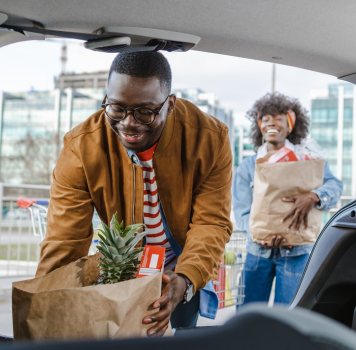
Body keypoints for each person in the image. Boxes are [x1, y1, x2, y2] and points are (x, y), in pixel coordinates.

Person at [36, 52, 233, 336]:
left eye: (145, 111)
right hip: (124, 271)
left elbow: (211, 222)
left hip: (183, 266)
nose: (128, 123)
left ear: (171, 103)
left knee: (182, 334)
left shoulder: (210, 138)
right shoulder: (80, 148)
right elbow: (64, 239)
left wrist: (185, 280)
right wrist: (44, 308)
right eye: (116, 108)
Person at [232, 92, 343, 305]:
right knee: (249, 318)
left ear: (290, 124)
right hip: (258, 253)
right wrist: (258, 234)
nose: (271, 123)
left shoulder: (308, 160)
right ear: (259, 125)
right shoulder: (248, 166)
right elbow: (242, 210)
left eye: (278, 118)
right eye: (266, 119)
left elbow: (335, 185)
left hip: (297, 252)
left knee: (287, 318)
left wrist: (314, 196)